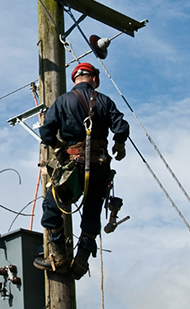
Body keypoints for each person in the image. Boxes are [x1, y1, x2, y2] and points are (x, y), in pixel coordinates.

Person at [34, 62, 129, 279]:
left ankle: (58, 256)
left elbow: (47, 131)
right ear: (95, 80)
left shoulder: (63, 101)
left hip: (73, 167)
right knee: (92, 211)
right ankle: (82, 260)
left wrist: (58, 148)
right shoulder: (105, 101)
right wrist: (119, 144)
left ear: (75, 80)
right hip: (99, 167)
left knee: (52, 206)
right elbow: (121, 127)